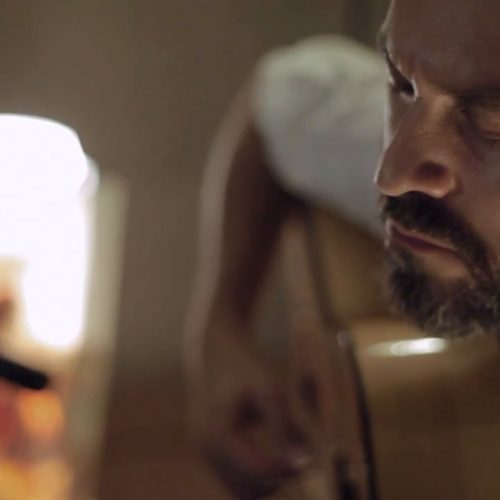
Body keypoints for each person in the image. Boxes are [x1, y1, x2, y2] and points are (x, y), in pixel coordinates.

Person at [187, 0, 500, 495]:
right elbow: (284, 94)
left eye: (492, 123)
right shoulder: (422, 148)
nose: (390, 172)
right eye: (401, 84)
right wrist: (221, 331)